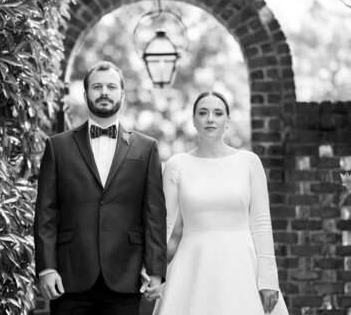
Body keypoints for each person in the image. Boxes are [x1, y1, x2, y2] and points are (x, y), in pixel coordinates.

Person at [33, 61, 167, 315]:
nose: (104, 92)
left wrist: (156, 270)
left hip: (126, 277)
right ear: (85, 95)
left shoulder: (146, 148)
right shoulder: (57, 147)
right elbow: (46, 214)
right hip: (69, 276)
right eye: (97, 86)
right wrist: (47, 268)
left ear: (122, 94)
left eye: (111, 86)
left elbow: (155, 215)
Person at [152, 91, 289, 315]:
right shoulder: (177, 164)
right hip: (192, 267)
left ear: (227, 121)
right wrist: (154, 271)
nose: (210, 119)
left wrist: (269, 279)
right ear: (194, 120)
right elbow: (163, 223)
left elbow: (262, 224)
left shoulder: (249, 162)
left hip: (243, 266)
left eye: (218, 113)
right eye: (203, 113)